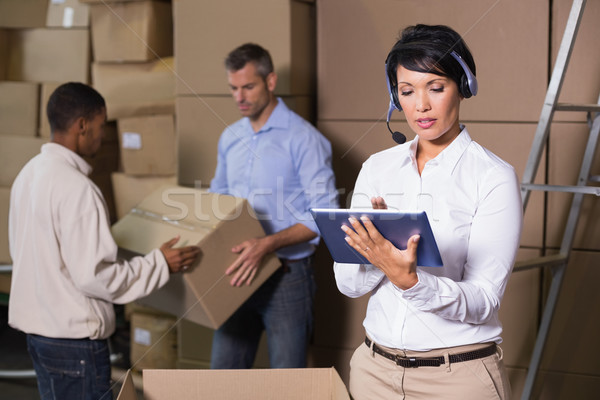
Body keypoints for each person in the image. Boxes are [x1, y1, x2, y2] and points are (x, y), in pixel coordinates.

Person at [334, 25, 522, 399]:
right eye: (407, 91)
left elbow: (483, 301)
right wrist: (378, 255)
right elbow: (348, 284)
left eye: (436, 88)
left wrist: (411, 281)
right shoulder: (377, 168)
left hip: (458, 378)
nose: (420, 105)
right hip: (374, 372)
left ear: (463, 87)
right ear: (395, 97)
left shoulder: (493, 177)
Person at [8, 82, 201, 400]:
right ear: (82, 126)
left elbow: (30, 254)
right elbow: (96, 277)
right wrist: (160, 263)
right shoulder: (79, 189)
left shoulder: (28, 175)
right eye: (100, 126)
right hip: (74, 345)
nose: (103, 135)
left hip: (39, 337)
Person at [209, 43, 338, 369]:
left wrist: (268, 244)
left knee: (287, 385)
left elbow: (324, 214)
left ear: (270, 81)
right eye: (233, 88)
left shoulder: (303, 138)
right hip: (237, 271)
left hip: (287, 277)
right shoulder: (229, 137)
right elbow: (218, 198)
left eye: (248, 86)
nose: (240, 96)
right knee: (222, 382)